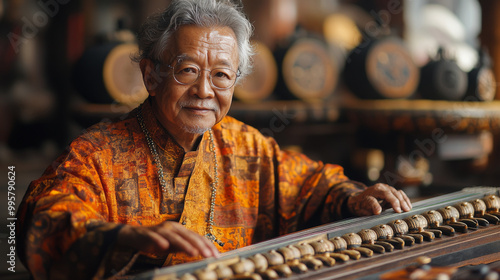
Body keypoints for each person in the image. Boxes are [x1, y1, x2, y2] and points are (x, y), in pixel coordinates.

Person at [16, 0, 412, 279]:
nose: (205, 90)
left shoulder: (246, 146)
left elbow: (309, 184)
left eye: (222, 75)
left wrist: (351, 196)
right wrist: (126, 237)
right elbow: (45, 220)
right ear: (151, 76)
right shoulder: (97, 155)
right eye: (188, 70)